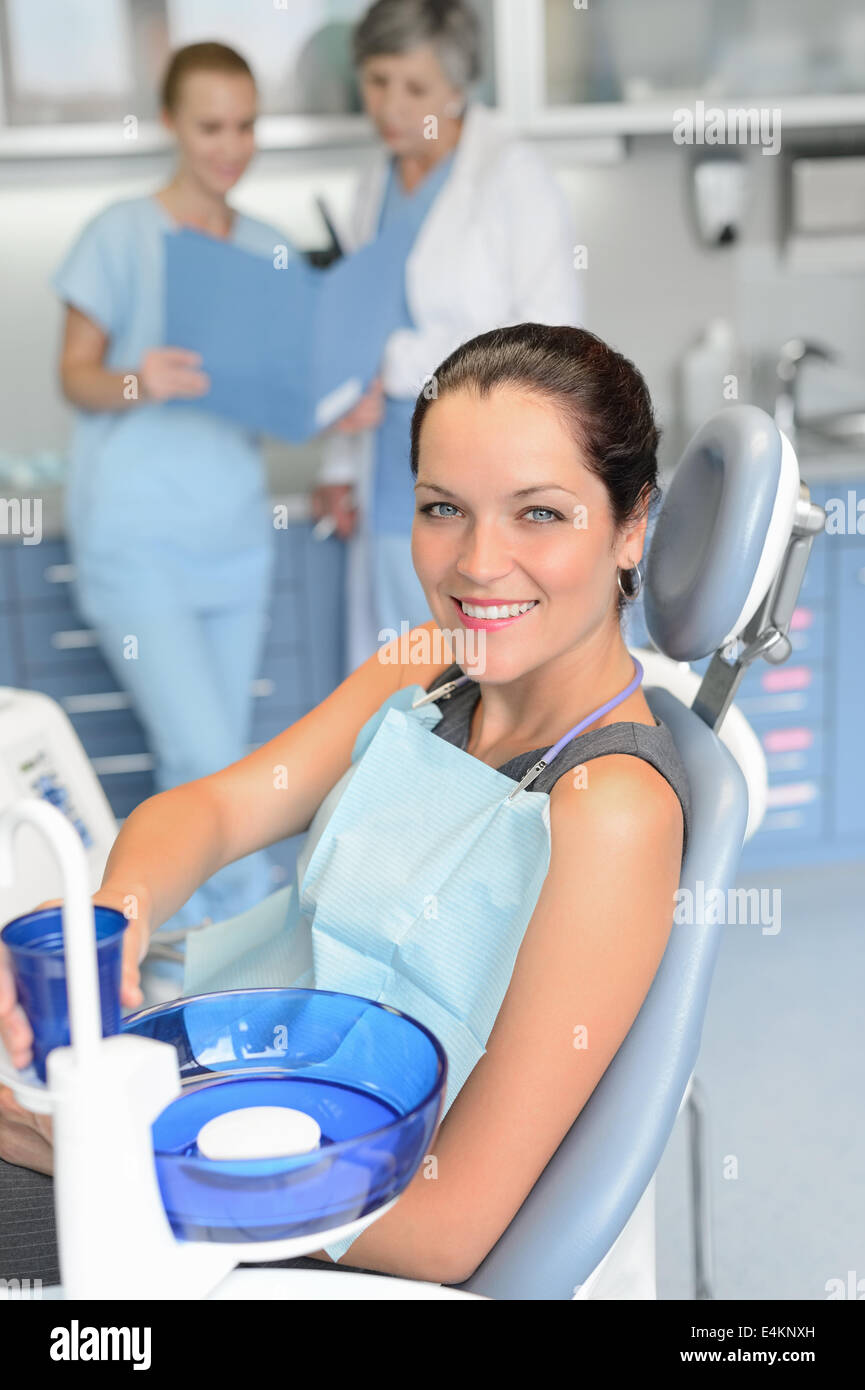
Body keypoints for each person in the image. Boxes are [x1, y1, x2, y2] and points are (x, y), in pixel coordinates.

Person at [0, 324, 690, 1289]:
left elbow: (444, 1229)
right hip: (222, 1097)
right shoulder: (430, 668)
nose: (478, 565)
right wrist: (113, 916)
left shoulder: (611, 807)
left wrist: (74, 1143)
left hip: (290, 1227)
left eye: (539, 514)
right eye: (443, 508)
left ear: (629, 525)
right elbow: (215, 811)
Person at [51, 42, 294, 930]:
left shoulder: (268, 251)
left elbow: (273, 390)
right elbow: (73, 376)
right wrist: (136, 378)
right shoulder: (119, 234)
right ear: (169, 125)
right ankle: (252, 956)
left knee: (211, 769)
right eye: (210, 126)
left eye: (245, 125)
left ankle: (182, 958)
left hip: (233, 542)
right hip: (135, 541)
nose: (230, 146)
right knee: (203, 759)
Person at [312, 0, 584, 674]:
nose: (391, 106)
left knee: (474, 670)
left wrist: (393, 364)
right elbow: (356, 324)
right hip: (386, 464)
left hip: (484, 462)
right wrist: (338, 465)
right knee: (397, 674)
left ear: (458, 88)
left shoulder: (513, 178)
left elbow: (553, 349)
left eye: (415, 88)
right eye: (377, 82)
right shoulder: (370, 185)